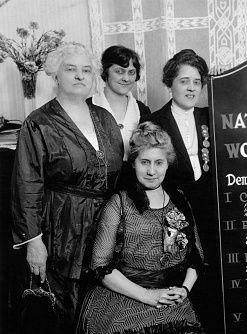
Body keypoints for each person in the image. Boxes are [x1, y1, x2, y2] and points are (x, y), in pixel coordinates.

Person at [11, 42, 123, 333]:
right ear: (55, 76)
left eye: (86, 70)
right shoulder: (39, 123)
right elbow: (27, 183)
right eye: (70, 69)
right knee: (65, 307)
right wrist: (33, 241)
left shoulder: (106, 119)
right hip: (60, 226)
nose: (79, 75)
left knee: (103, 302)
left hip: (104, 226)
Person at [76, 122, 205, 333]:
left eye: (159, 163)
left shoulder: (179, 199)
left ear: (167, 164)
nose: (152, 171)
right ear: (134, 163)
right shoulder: (118, 203)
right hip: (124, 299)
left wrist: (184, 289)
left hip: (171, 300)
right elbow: (100, 267)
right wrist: (148, 296)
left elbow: (196, 258)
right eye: (145, 162)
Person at [142, 49, 221, 332]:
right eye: (184, 81)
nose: (191, 88)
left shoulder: (211, 116)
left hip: (212, 207)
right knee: (180, 268)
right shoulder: (155, 122)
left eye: (197, 82)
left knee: (213, 268)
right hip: (173, 209)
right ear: (170, 83)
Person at [90, 45, 151, 160]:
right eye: (119, 71)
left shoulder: (142, 110)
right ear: (105, 71)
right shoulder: (88, 107)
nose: (126, 79)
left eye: (131, 72)